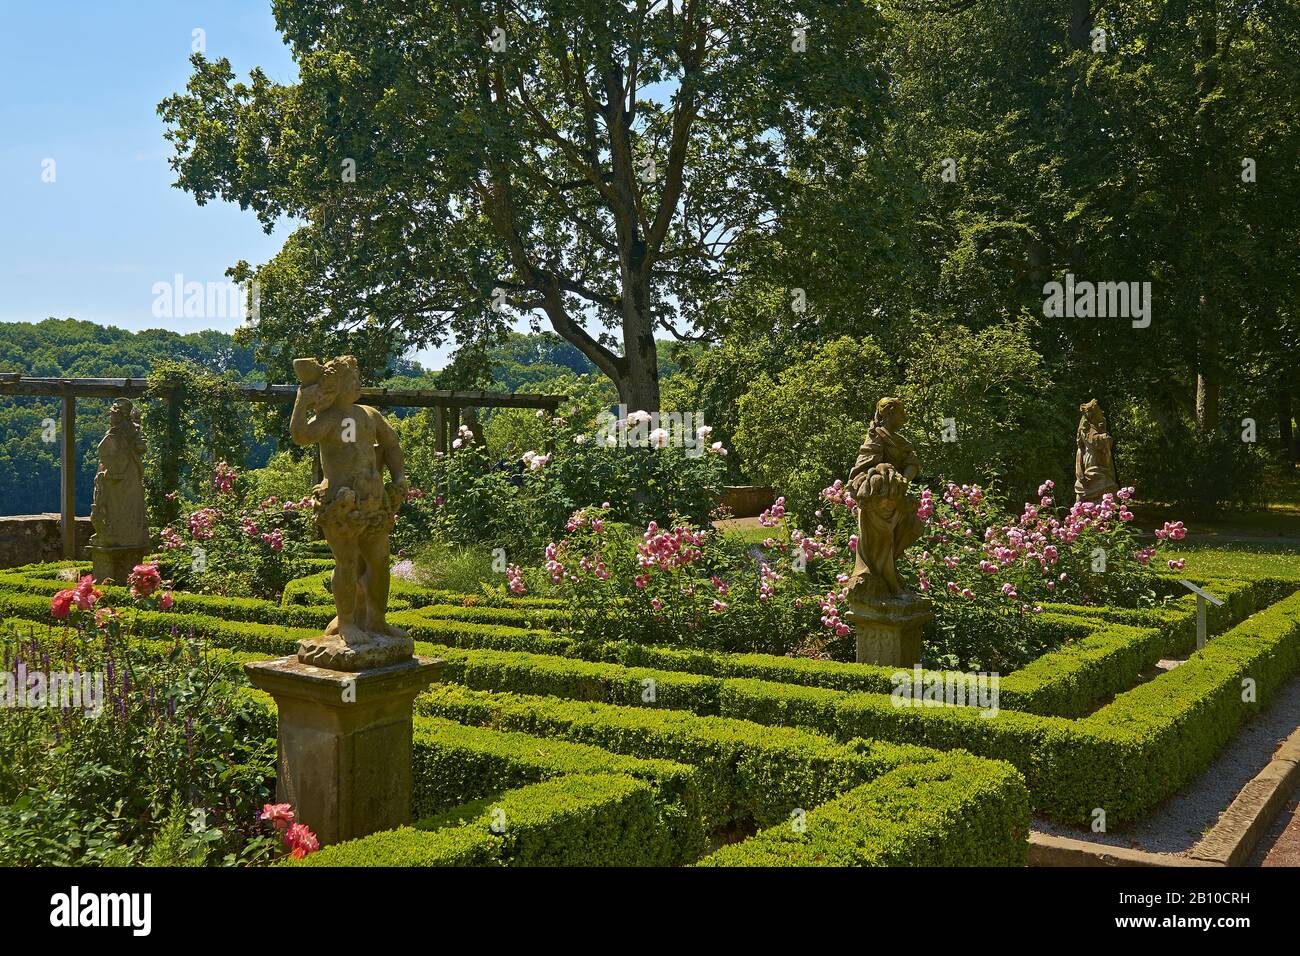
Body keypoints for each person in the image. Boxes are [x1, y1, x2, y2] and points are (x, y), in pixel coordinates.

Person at [291, 355, 409, 656]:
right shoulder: (329, 419)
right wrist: (302, 402)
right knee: (345, 563)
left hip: (374, 501)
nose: (358, 382)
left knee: (380, 561)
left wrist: (399, 477)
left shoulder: (369, 414)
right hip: (341, 504)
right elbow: (300, 436)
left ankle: (377, 620)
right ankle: (346, 623)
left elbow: (392, 445)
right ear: (338, 385)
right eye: (352, 378)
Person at [845, 397, 924, 602]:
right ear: (889, 413)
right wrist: (882, 472)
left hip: (895, 498)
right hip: (877, 500)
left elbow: (911, 463)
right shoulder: (875, 437)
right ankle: (889, 583)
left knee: (913, 527)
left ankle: (887, 574)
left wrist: (904, 478)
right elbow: (861, 468)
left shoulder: (900, 440)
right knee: (883, 541)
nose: (905, 417)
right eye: (901, 412)